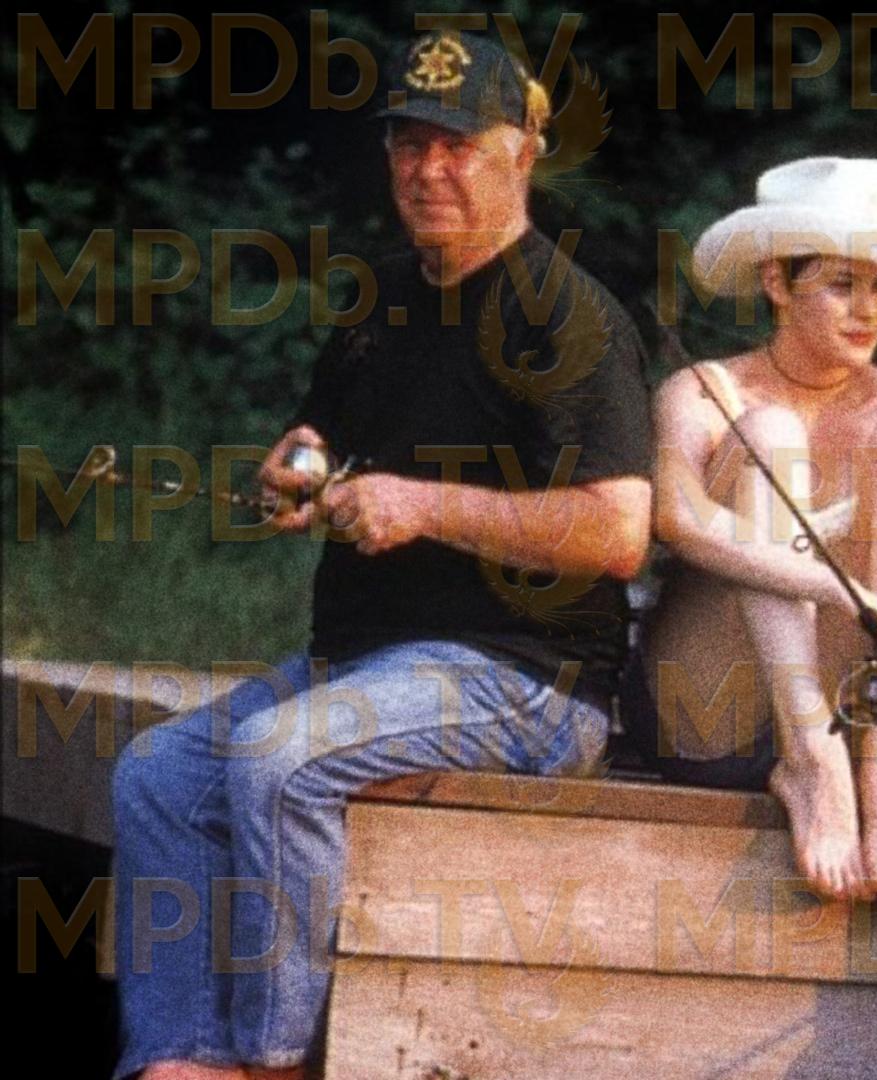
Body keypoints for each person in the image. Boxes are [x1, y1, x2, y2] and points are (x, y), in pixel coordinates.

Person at [109, 30, 654, 1079]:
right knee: (158, 773)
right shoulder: (384, 299)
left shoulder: (571, 319)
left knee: (280, 759)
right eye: (409, 143)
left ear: (523, 152)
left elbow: (616, 532)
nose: (429, 169)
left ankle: (272, 1060)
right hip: (365, 662)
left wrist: (424, 505)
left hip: (527, 678)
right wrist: (300, 469)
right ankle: (179, 1057)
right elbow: (324, 442)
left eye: (458, 145)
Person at [645, 156, 877, 901]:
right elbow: (676, 519)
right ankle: (811, 764)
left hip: (863, 710)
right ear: (776, 283)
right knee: (769, 431)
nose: (868, 310)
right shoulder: (704, 390)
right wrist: (853, 594)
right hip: (714, 706)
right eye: (841, 284)